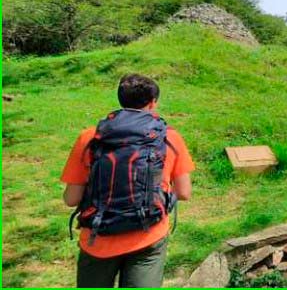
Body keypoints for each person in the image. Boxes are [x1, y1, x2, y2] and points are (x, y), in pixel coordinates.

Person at [61, 74, 194, 288]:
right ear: (153, 103)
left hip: (98, 237)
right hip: (148, 235)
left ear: (120, 100)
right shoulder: (169, 138)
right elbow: (185, 192)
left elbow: (71, 199)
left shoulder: (90, 137)